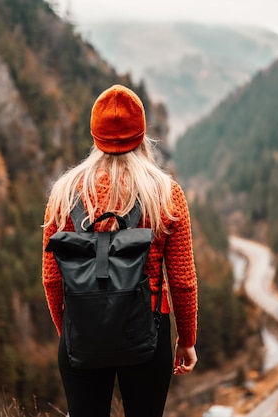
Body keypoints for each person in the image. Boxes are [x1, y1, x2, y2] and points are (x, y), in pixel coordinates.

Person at [42, 84, 198, 417]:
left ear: (95, 133)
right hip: (148, 334)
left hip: (81, 334)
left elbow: (52, 280)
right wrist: (186, 339)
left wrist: (71, 330)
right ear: (142, 134)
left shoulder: (64, 194)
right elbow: (182, 280)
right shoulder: (166, 194)